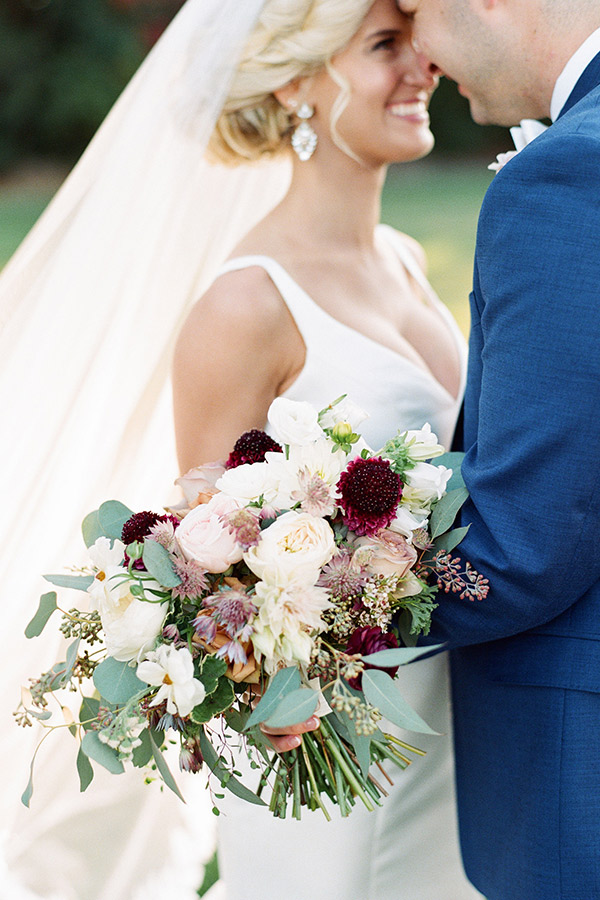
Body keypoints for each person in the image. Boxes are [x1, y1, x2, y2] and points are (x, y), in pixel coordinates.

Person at [172, 1, 482, 898]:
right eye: (386, 46)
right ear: (298, 81)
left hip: (451, 725)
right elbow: (210, 571)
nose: (423, 66)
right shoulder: (247, 307)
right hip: (332, 760)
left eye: (414, 41)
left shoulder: (403, 259)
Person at [391, 1, 600, 898]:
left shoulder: (568, 175)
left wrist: (283, 611)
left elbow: (522, 544)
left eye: (414, 12)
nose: (424, 56)